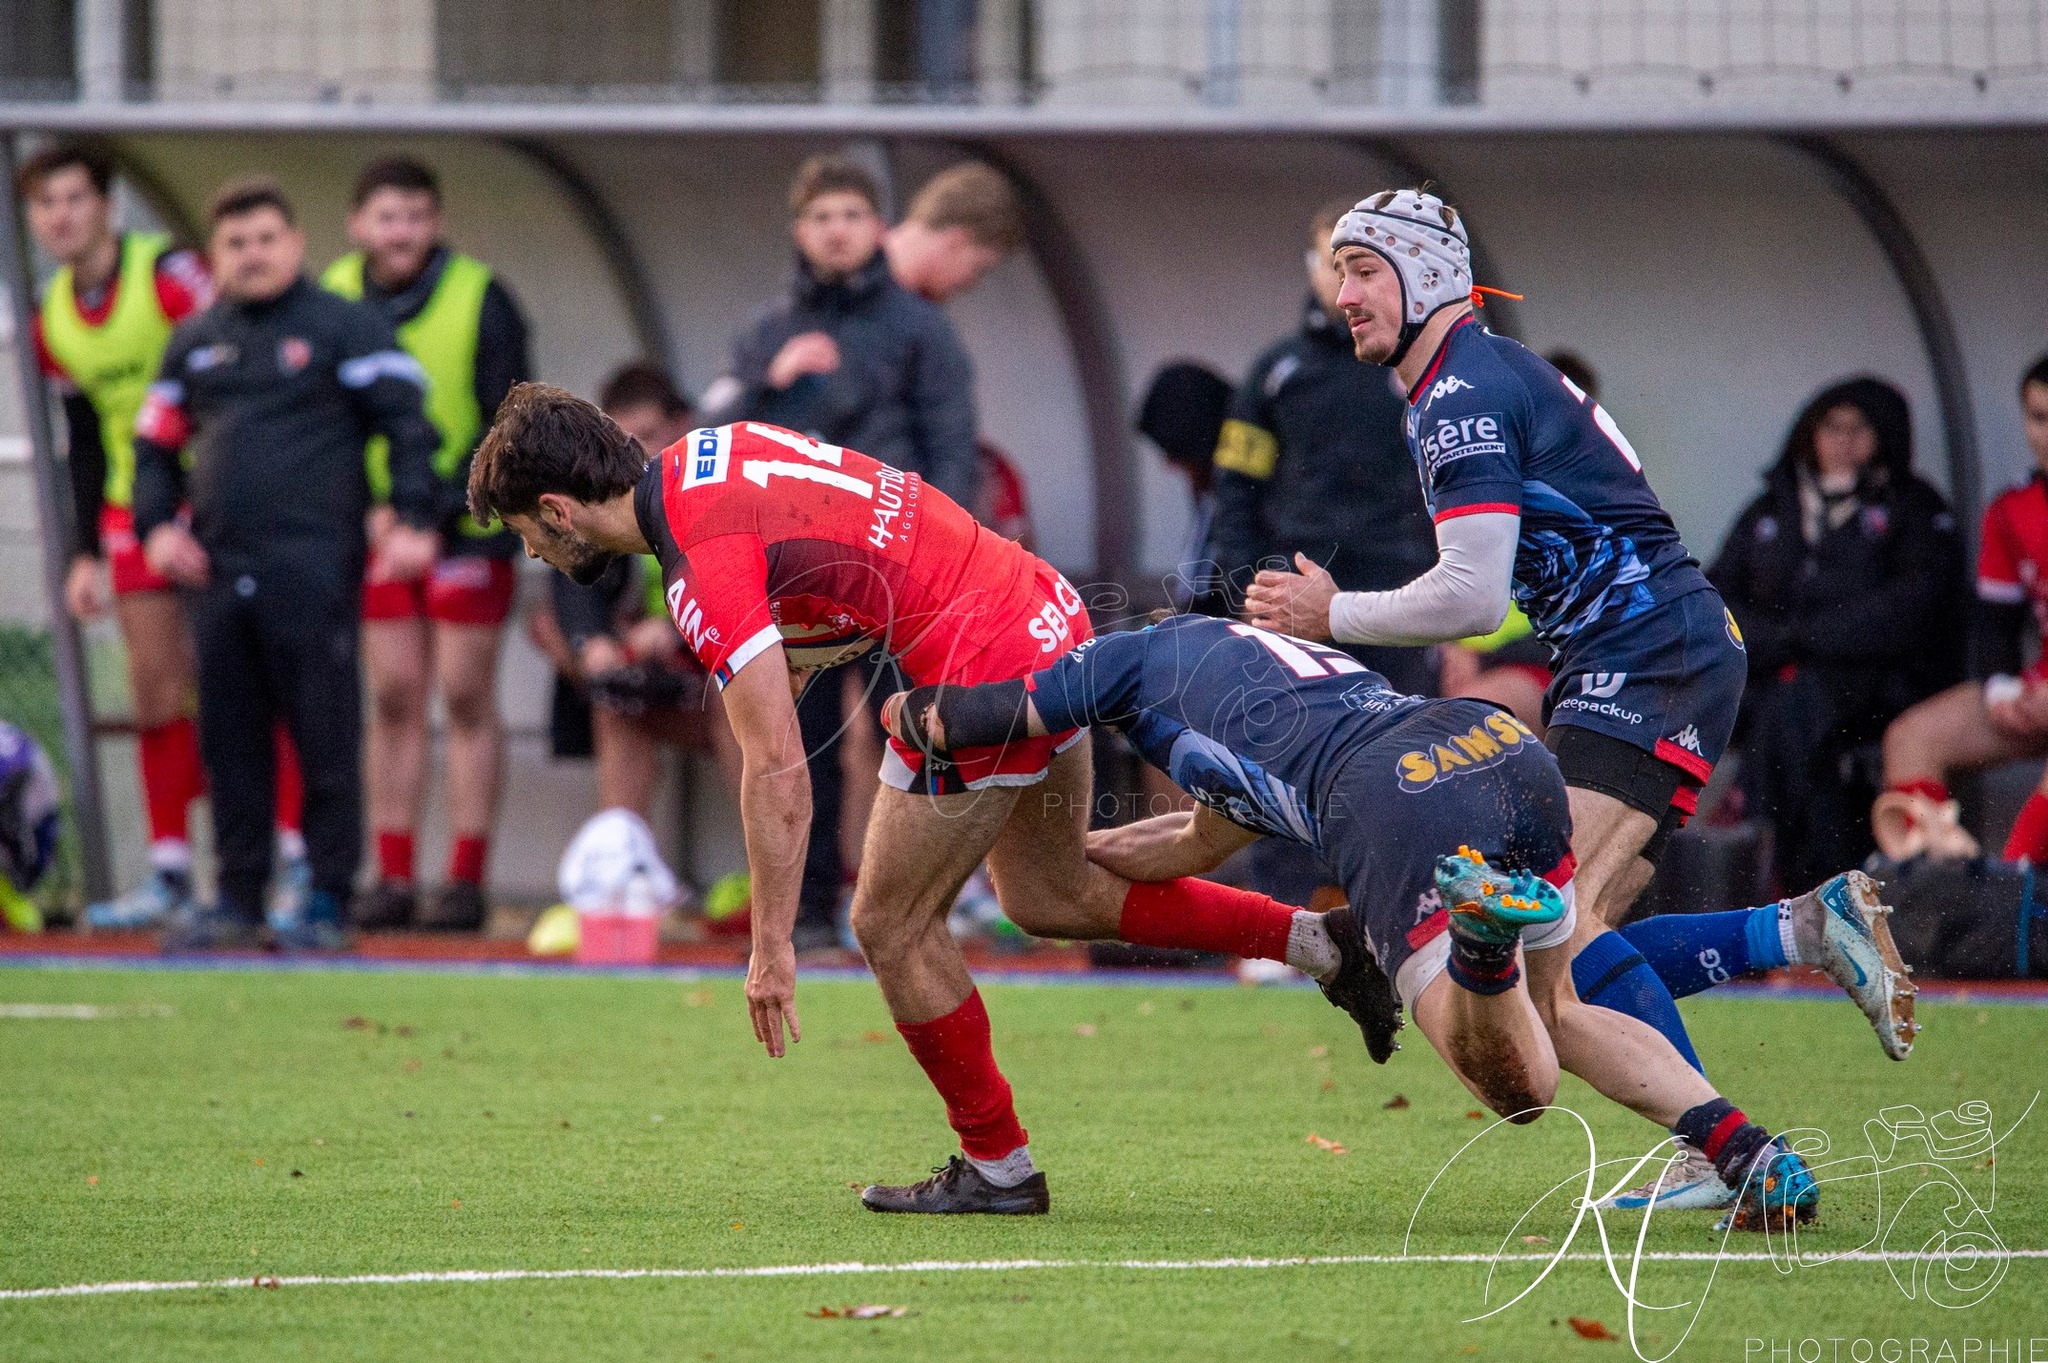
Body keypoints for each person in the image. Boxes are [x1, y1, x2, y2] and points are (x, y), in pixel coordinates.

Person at [467, 389, 1369, 1215]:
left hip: (980, 668)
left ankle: (999, 1167)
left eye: (525, 533)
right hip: (1039, 601)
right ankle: (1316, 942)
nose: (534, 552)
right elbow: (861, 532)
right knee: (1048, 897)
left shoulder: (697, 565)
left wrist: (771, 943)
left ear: (556, 509)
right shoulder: (713, 450)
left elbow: (779, 767)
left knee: (889, 923)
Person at [1242, 190, 1916, 1201]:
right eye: (1338, 272)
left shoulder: (1459, 391)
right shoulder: (1463, 379)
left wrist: (1329, 614)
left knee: (1542, 954)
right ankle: (1789, 958)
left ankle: (1735, 1116)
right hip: (1642, 651)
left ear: (1427, 274)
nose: (1343, 294)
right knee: (1571, 928)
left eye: (1364, 268)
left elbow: (1470, 596)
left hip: (1645, 652)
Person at [880, 613, 1823, 1232]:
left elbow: (983, 711)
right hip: (1493, 743)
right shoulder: (1246, 671)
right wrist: (1072, 867)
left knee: (1522, 1086)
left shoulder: (1109, 660)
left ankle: (1482, 949)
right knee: (1564, 1005)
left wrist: (897, 700)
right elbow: (1194, 844)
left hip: (1391, 803)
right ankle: (1748, 1152)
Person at [131, 176, 441, 952]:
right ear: (215, 256)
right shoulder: (194, 338)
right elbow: (152, 447)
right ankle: (238, 897)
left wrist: (413, 516)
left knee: (325, 731)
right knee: (229, 736)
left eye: (266, 238)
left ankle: (329, 897)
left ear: (297, 244)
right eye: (235, 243)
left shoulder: (344, 326)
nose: (252, 254)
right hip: (215, 569)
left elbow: (409, 425)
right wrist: (155, 529)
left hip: (314, 564)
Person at [20, 144, 308, 929]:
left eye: (76, 198)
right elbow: (80, 435)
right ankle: (172, 869)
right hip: (128, 508)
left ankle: (289, 855)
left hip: (214, 500)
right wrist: (85, 547)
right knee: (154, 686)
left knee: (251, 679)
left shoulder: (169, 276)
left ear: (107, 204)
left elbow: (229, 360)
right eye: (47, 204)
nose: (62, 216)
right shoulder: (50, 316)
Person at [322, 156, 533, 932]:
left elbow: (510, 423)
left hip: (465, 527)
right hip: (379, 529)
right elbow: (322, 424)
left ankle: (466, 879)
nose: (400, 231)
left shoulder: (484, 297)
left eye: (415, 215)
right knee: (393, 696)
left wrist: (435, 516)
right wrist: (377, 512)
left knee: (466, 693)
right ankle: (395, 874)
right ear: (358, 225)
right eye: (386, 216)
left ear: (435, 222)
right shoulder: (333, 295)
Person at [1709, 378, 1965, 889]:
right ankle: (1812, 880)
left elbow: (1910, 609)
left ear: (1885, 435)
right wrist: (1778, 642)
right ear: (1809, 431)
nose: (1843, 440)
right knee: (1778, 706)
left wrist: (1801, 638)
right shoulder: (1772, 507)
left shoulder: (1914, 508)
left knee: (1797, 703)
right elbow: (1715, 595)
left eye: (1859, 427)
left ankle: (1758, 844)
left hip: (1877, 684)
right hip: (1770, 680)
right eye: (1831, 426)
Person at [1206, 197, 1438, 695]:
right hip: (1295, 582)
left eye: (1358, 266)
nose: (1340, 280)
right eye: (1328, 264)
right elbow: (1234, 488)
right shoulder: (1276, 371)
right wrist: (1249, 582)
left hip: (1398, 591)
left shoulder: (1425, 363)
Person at [549, 364, 742, 818]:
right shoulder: (606, 492)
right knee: (616, 698)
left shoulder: (716, 485)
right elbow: (571, 579)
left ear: (684, 424)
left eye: (649, 435)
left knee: (732, 700)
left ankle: (769, 882)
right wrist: (591, 643)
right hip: (662, 667)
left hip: (730, 666)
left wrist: (674, 630)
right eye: (622, 442)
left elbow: (739, 588)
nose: (636, 455)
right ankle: (627, 875)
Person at [1880, 356, 2048, 861]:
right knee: (1911, 737)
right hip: (2038, 692)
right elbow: (1994, 626)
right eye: (2039, 417)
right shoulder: (2012, 508)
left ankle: (2016, 898)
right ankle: (1937, 902)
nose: (2047, 434)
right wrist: (2001, 687)